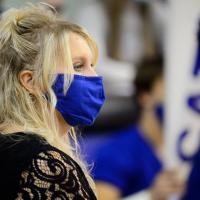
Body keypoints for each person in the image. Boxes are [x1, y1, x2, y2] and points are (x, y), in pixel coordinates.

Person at [0, 3, 105, 199]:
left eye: (92, 65)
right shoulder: (47, 165)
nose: (95, 76)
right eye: (78, 66)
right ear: (30, 81)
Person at [82, 58, 184, 200]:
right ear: (145, 96)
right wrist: (151, 197)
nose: (177, 96)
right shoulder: (118, 151)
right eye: (171, 87)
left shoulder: (187, 147)